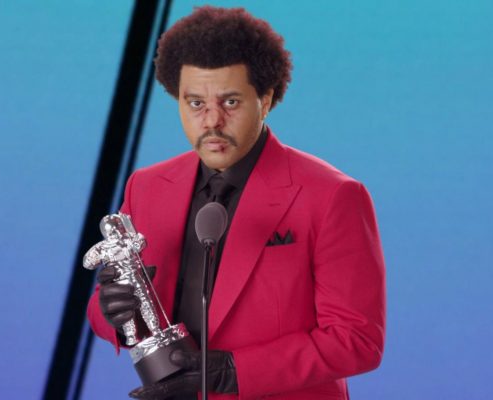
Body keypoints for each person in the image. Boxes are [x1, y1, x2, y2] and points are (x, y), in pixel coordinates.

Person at [87, 6, 386, 400]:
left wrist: (231, 372)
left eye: (230, 103)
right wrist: (110, 313)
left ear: (266, 99)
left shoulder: (333, 195)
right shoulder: (146, 186)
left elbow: (356, 340)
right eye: (195, 103)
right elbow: (106, 310)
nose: (211, 121)